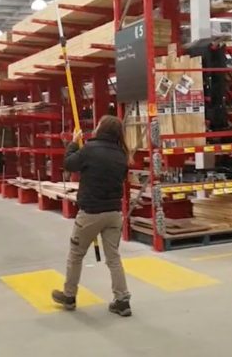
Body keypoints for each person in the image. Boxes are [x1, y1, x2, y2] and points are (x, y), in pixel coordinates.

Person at [51, 115, 132, 317]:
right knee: (113, 257)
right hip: (114, 213)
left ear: (101, 129)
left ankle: (69, 296)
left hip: (91, 213)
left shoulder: (89, 149)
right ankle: (122, 300)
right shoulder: (122, 154)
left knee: (76, 254)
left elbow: (70, 164)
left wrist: (72, 144)